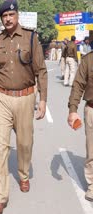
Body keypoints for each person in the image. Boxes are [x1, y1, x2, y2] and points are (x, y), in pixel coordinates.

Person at [0, 1, 48, 213]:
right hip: (2, 98)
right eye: (4, 16)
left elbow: (41, 70)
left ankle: (23, 173)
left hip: (26, 98)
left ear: (17, 15)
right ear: (1, 19)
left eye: (11, 14)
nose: (8, 19)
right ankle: (0, 196)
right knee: (0, 147)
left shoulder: (31, 37)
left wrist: (43, 100)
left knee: (24, 143)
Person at [67, 50, 93, 202]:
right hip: (92, 109)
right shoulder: (88, 60)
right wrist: (73, 110)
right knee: (92, 151)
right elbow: (78, 85)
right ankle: (92, 185)